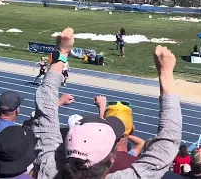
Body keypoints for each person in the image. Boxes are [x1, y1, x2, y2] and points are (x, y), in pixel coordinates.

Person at [31, 27, 182, 179]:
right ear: (111, 161)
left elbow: (45, 107)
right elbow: (167, 146)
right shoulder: (51, 169)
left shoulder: (50, 170)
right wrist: (165, 73)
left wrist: (61, 54)